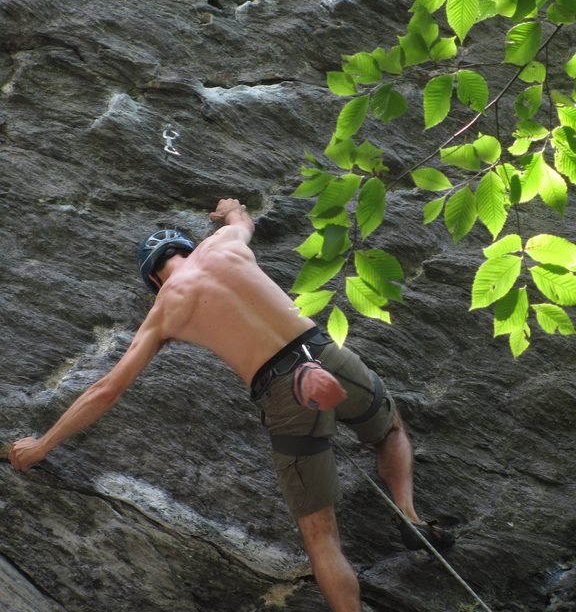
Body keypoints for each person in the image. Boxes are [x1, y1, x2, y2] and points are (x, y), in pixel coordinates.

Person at [9, 198, 453, 612]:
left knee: (321, 537)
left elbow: (106, 389)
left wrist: (42, 445)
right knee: (390, 430)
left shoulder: (164, 308)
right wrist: (228, 209)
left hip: (283, 392)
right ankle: (409, 515)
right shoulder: (223, 243)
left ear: (152, 278)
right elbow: (243, 218)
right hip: (324, 353)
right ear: (185, 246)